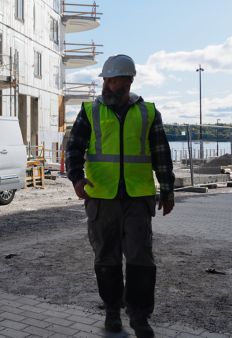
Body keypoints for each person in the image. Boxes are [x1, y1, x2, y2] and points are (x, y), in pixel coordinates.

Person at [65, 54, 175, 338]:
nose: (107, 85)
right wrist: (76, 177)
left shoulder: (148, 112)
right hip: (101, 197)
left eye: (113, 80)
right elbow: (74, 147)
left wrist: (167, 189)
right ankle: (113, 310)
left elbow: (161, 153)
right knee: (106, 258)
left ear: (128, 81)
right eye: (106, 80)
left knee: (141, 259)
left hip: (138, 198)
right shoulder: (90, 111)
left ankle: (140, 316)